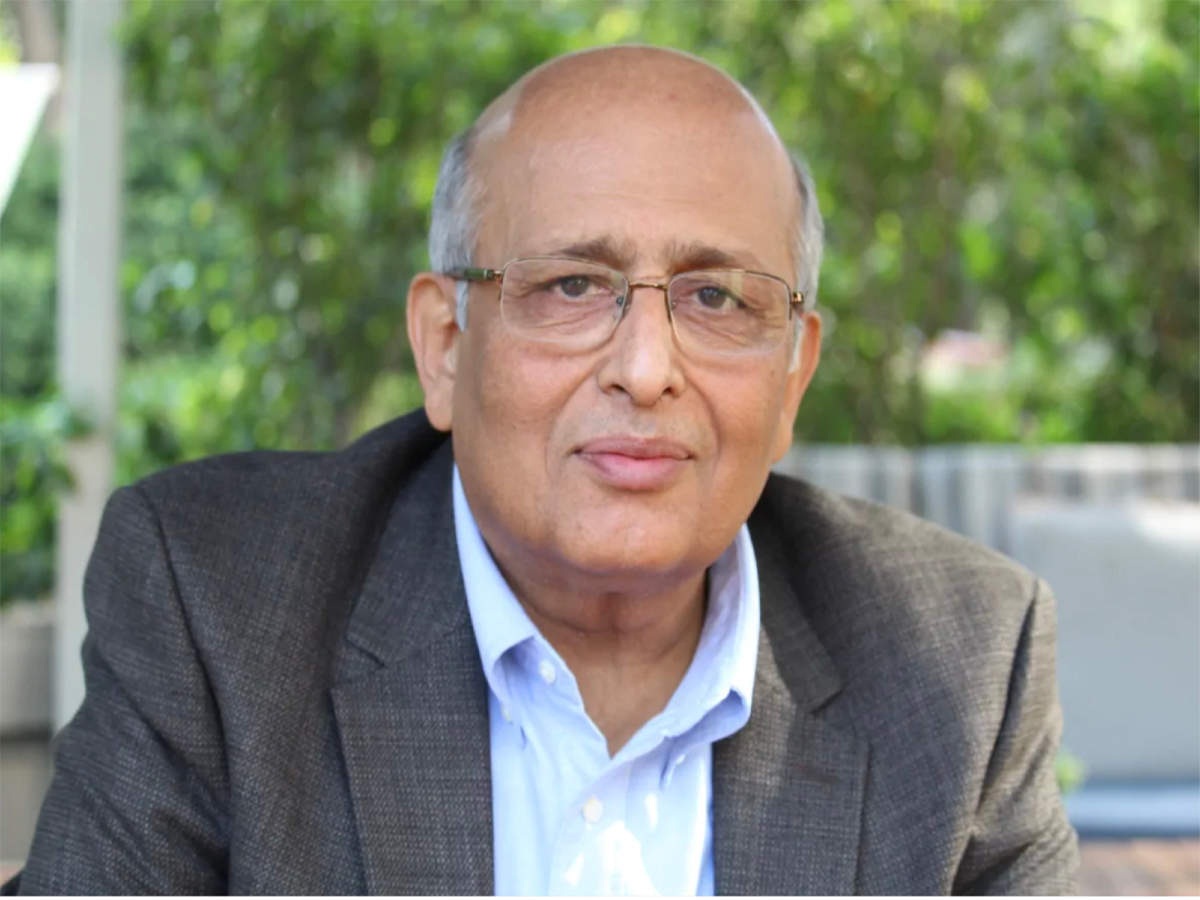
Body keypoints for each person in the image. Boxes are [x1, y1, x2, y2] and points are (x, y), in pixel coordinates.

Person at [10, 45, 1078, 894]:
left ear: (793, 374)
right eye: (571, 286)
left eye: (716, 298)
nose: (646, 370)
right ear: (445, 345)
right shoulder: (220, 607)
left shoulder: (959, 662)